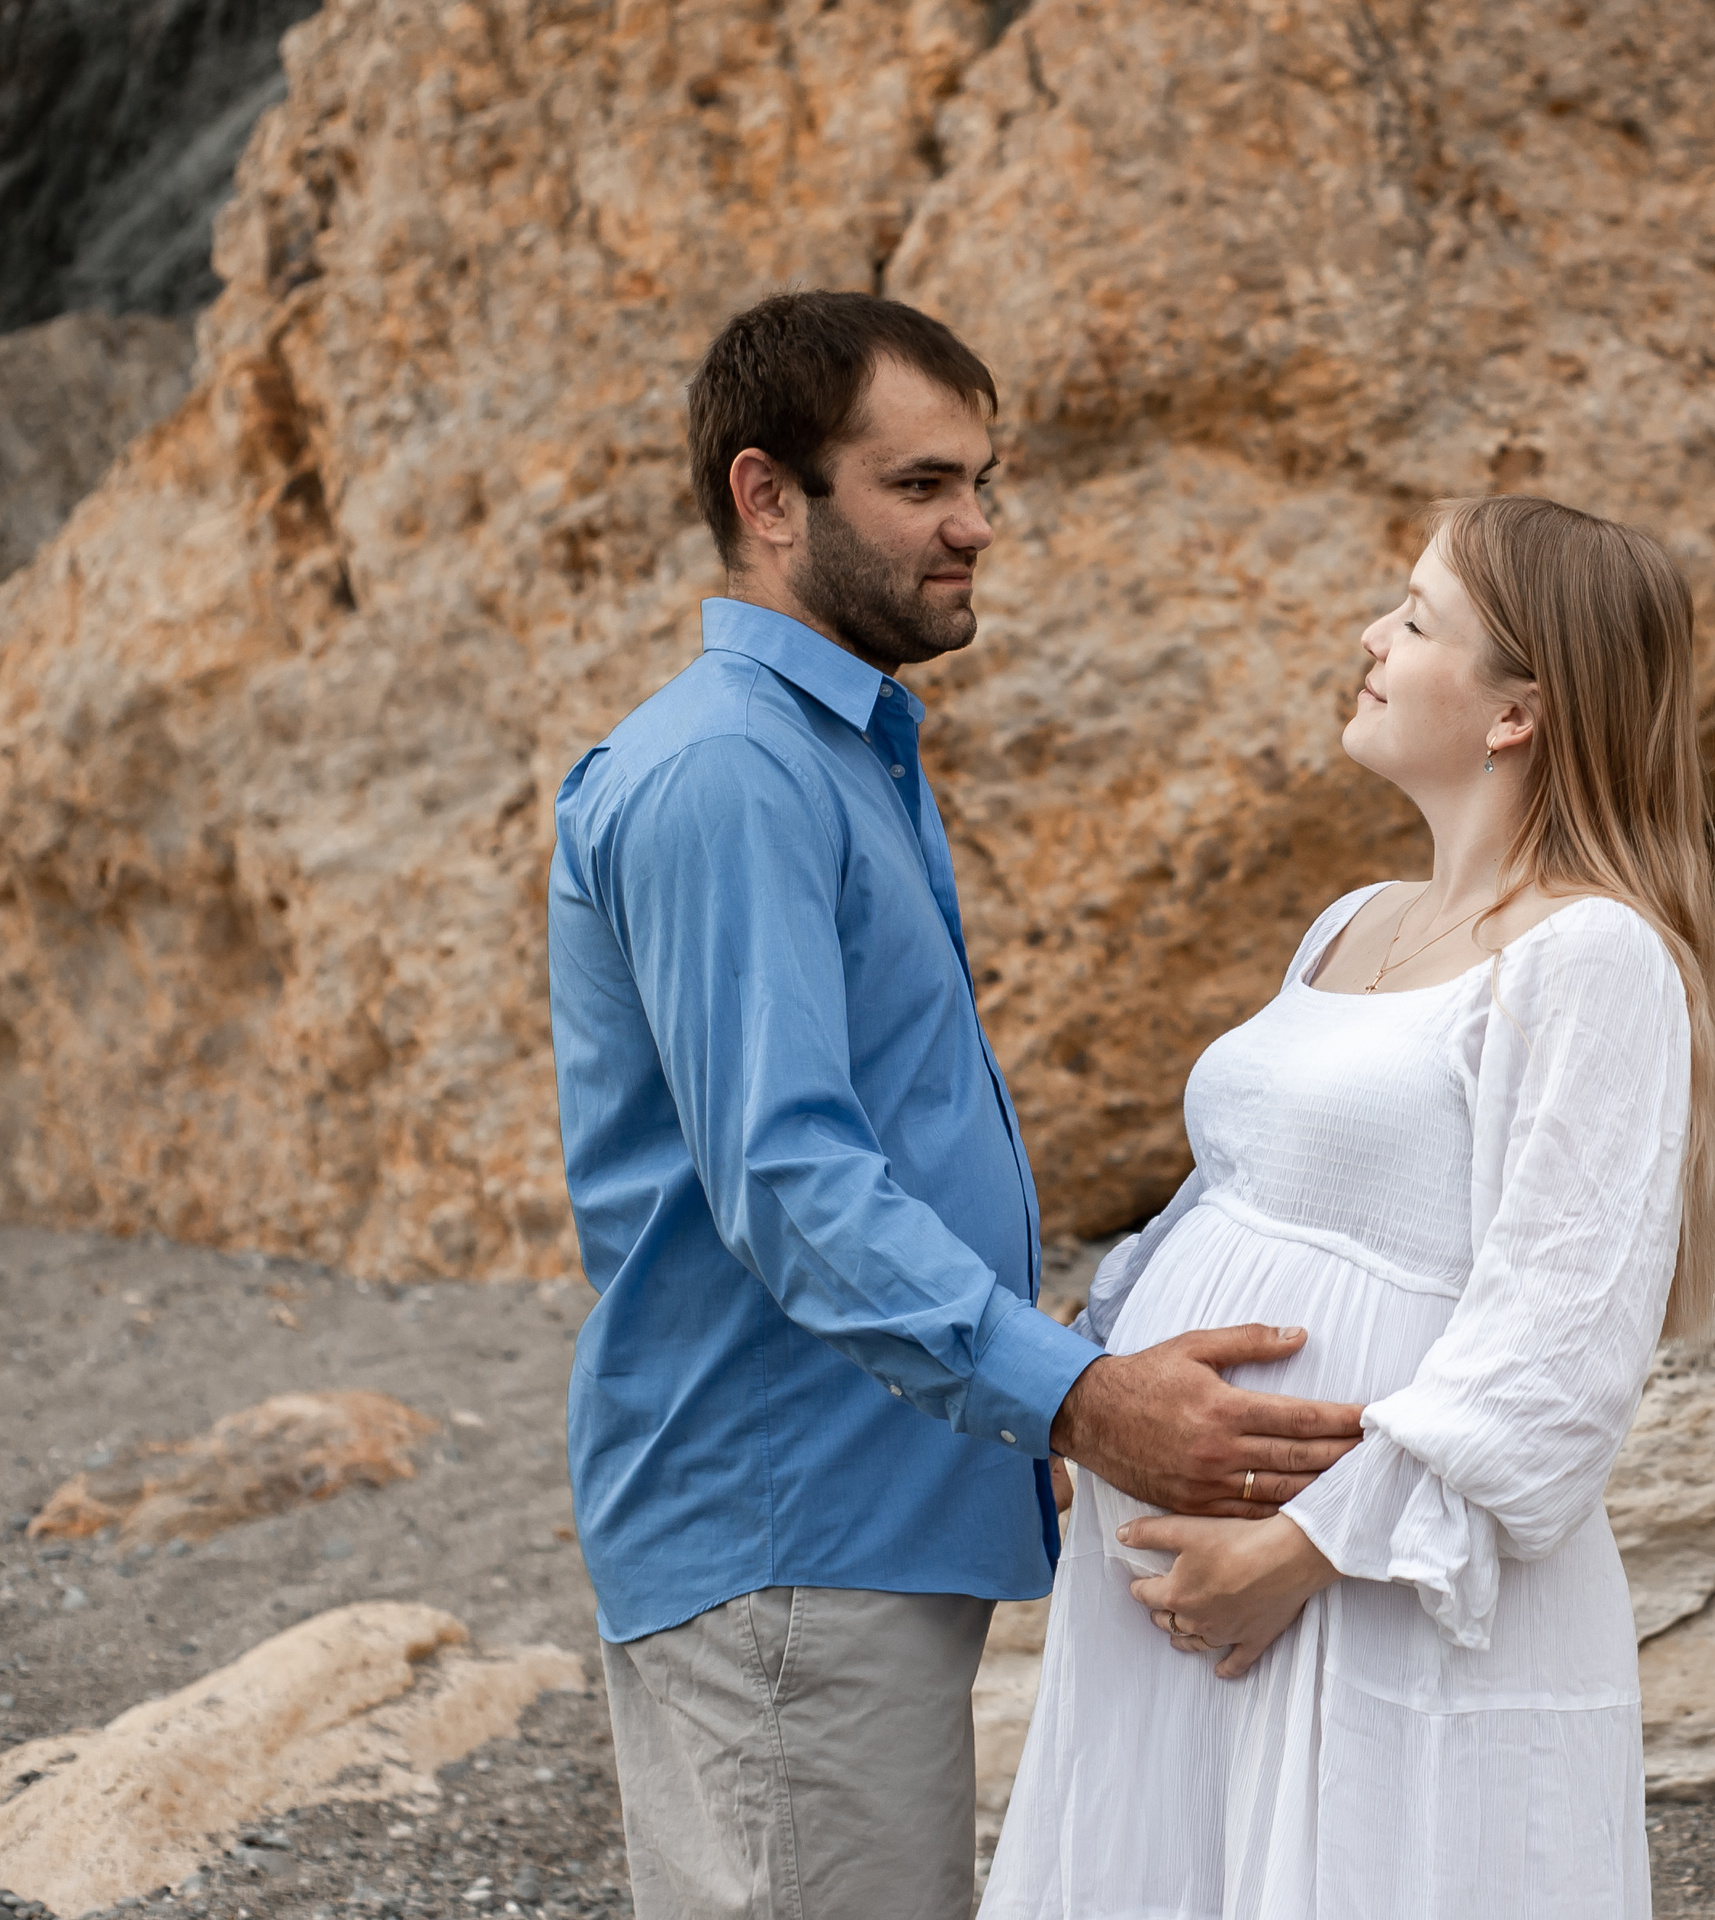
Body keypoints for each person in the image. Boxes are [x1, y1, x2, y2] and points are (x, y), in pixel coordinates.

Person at [545, 290, 1367, 1920]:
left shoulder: (836, 751)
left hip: (859, 1509)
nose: (975, 526)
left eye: (981, 483)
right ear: (766, 497)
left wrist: (1016, 1396)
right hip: (786, 1533)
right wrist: (1070, 1395)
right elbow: (788, 1184)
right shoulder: (731, 775)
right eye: (919, 486)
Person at [980, 495, 1715, 1920]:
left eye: (1413, 615)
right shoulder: (1353, 919)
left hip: (1370, 1586)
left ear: (1518, 710)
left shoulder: (1593, 960)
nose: (1368, 637)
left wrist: (1299, 1549)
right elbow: (1234, 1187)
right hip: (1182, 1571)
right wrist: (1096, 1385)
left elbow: (1563, 1340)